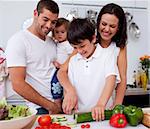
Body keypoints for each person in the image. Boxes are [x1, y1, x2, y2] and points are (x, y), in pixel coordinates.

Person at [57, 3, 127, 116]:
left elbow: (121, 78)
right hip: (81, 111)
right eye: (104, 24)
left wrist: (117, 104)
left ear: (118, 27)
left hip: (104, 107)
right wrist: (69, 92)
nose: (107, 29)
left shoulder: (118, 48)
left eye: (112, 26)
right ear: (98, 22)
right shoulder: (83, 44)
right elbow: (63, 71)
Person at [5, 0, 62, 114]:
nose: (49, 26)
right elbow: (17, 84)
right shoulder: (18, 41)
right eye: (45, 20)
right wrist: (50, 106)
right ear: (35, 13)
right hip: (41, 109)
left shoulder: (52, 42)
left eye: (53, 22)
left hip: (60, 105)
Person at [66, 18, 120, 121]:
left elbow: (111, 80)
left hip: (103, 115)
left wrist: (100, 104)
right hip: (81, 116)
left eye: (82, 46)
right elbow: (70, 86)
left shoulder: (107, 55)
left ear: (93, 38)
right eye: (75, 48)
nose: (79, 51)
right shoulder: (73, 60)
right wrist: (69, 99)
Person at [50, 18, 74, 108]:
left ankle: (58, 102)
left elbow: (72, 57)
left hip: (65, 69)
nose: (59, 34)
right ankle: (59, 101)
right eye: (57, 32)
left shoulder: (68, 44)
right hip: (59, 68)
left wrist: (62, 66)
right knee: (58, 85)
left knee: (56, 82)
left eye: (62, 32)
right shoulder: (57, 43)